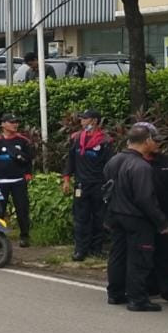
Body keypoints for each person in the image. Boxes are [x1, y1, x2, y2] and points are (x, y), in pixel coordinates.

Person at [103, 126, 168, 311]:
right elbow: (145, 198)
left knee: (118, 255)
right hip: (136, 217)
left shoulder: (114, 160)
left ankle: (115, 293)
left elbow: (106, 188)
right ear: (147, 141)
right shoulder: (141, 166)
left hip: (116, 214)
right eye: (153, 140)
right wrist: (161, 221)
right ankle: (137, 299)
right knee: (139, 258)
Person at [136, 122, 168, 305]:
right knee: (143, 256)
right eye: (154, 140)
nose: (158, 144)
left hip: (166, 217)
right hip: (141, 218)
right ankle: (146, 288)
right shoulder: (131, 162)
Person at [62, 109, 113, 261]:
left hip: (98, 185)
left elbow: (109, 165)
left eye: (85, 119)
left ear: (94, 121)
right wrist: (66, 179)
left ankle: (96, 248)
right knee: (80, 218)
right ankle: (80, 250)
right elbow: (71, 160)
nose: (82, 122)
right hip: (81, 185)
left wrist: (109, 185)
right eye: (82, 119)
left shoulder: (105, 141)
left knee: (99, 217)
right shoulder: (76, 138)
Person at [0, 113, 35, 246]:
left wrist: (28, 174)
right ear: (3, 124)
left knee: (22, 209)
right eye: (11, 122)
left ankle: (24, 236)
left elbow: (28, 159)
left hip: (18, 181)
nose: (15, 124)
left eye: (16, 122)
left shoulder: (23, 141)